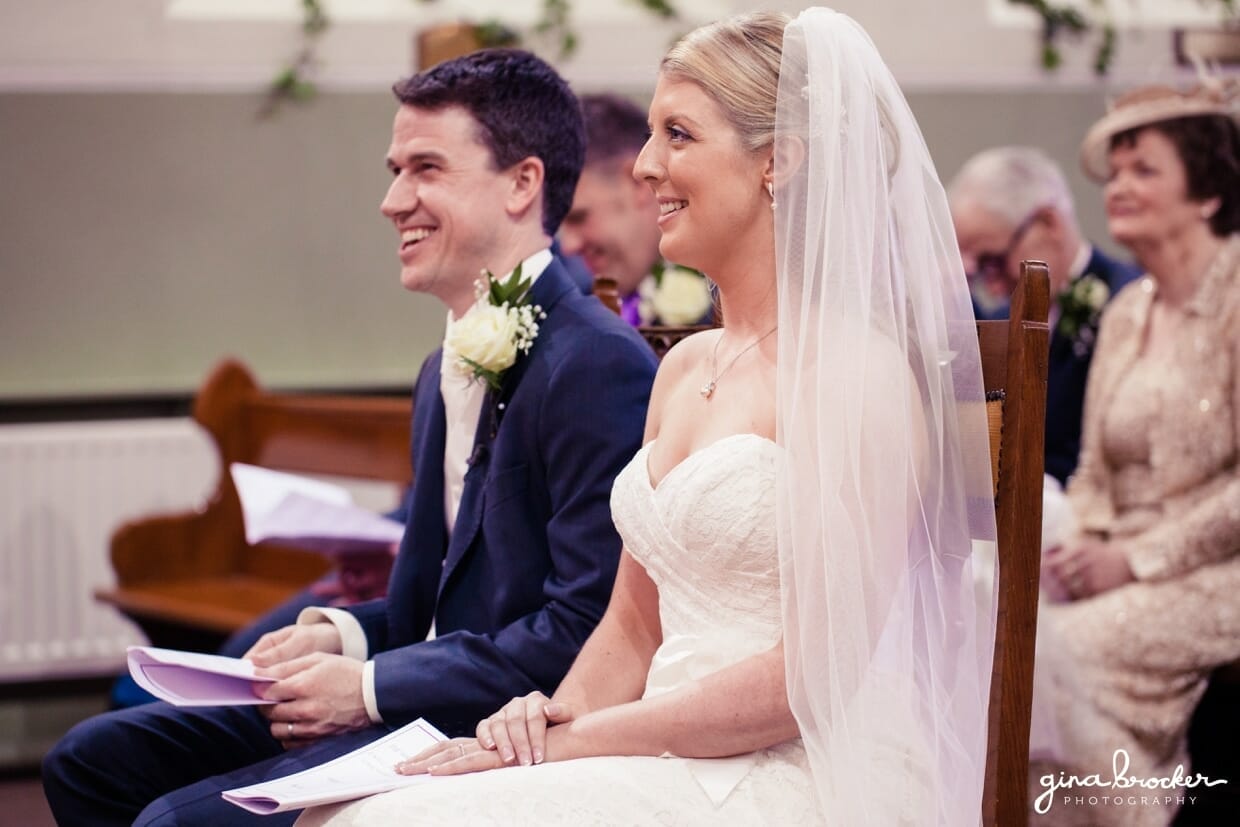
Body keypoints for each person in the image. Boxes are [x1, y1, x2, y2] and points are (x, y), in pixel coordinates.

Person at [295, 8, 998, 825]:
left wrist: (584, 739)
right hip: (651, 743)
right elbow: (631, 623)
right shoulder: (686, 367)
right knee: (346, 808)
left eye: (679, 135)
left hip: (788, 765)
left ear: (776, 162)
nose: (644, 164)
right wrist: (545, 720)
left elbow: (808, 679)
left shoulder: (858, 378)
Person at [41, 48, 657, 826]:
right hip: (412, 694)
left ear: (521, 183)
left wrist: (366, 689)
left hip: (486, 728)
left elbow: (586, 630)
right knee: (91, 760)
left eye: (426, 168)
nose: (393, 200)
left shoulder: (595, 361)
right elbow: (435, 606)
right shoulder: (445, 365)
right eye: (396, 169)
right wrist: (337, 636)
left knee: (171, 819)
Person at [1035, 79, 1240, 827]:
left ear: (1209, 192)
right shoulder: (1126, 312)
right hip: (1117, 557)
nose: (1117, 186)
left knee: (1046, 666)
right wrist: (1084, 544)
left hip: (1218, 573)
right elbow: (1091, 471)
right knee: (998, 628)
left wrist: (1136, 559)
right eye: (1113, 172)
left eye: (1143, 169)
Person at [948, 146, 1139, 487]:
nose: (984, 281)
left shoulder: (1129, 299)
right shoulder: (998, 321)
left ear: (1048, 222)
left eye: (991, 259)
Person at [559, 93, 714, 326]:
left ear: (637, 183)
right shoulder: (569, 307)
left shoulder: (720, 301)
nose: (568, 246)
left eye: (579, 217)